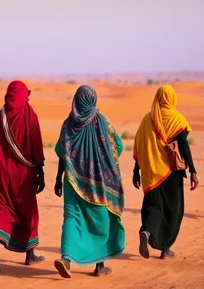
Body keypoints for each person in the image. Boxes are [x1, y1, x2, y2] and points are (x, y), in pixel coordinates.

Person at [53, 85, 125, 279]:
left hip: (72, 180)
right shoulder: (103, 122)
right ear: (93, 100)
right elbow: (118, 146)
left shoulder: (68, 124)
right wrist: (105, 163)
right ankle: (99, 266)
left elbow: (62, 153)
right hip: (98, 182)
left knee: (71, 218)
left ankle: (66, 258)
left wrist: (58, 178)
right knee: (100, 221)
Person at [0, 80, 46, 272]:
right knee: (28, 212)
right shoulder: (30, 114)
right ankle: (30, 255)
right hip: (23, 175)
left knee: (2, 208)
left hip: (1, 171)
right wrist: (40, 171)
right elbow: (36, 146)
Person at [133, 85, 198, 260]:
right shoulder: (177, 119)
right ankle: (165, 249)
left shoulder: (148, 119)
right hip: (171, 173)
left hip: (150, 173)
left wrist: (135, 170)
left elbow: (139, 145)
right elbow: (183, 146)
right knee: (172, 210)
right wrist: (193, 170)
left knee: (154, 206)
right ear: (172, 98)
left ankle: (146, 231)